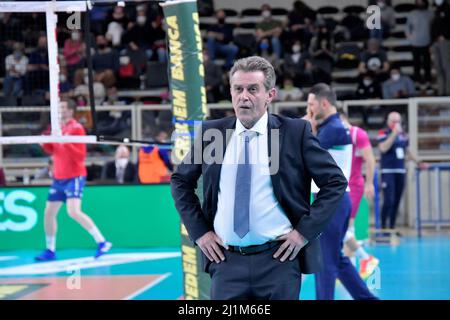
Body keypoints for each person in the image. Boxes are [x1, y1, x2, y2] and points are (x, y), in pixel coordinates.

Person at [171, 56, 348, 300]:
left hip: (279, 262)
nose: (244, 96)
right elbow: (181, 182)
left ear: (270, 94)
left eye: (253, 89)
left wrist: (303, 233)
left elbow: (335, 182)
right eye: (238, 89)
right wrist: (200, 232)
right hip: (226, 262)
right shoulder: (213, 133)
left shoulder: (294, 133)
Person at [307, 83, 378, 300]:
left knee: (325, 261)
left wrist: (306, 128)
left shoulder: (334, 129)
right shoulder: (331, 127)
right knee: (336, 259)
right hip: (334, 200)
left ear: (324, 103)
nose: (308, 109)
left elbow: (305, 155)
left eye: (311, 105)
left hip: (333, 201)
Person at [35, 99, 112, 261]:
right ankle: (50, 250)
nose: (60, 110)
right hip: (58, 177)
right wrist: (45, 143)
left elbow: (80, 156)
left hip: (74, 176)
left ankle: (102, 242)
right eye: (59, 107)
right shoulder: (57, 128)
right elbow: (54, 150)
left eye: (63, 107)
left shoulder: (77, 128)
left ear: (70, 110)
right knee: (48, 214)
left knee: (73, 212)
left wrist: (65, 141)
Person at [339, 110, 379, 279]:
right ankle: (358, 263)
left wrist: (369, 183)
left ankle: (363, 261)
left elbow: (370, 160)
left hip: (353, 186)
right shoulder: (334, 134)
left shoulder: (357, 134)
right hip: (337, 186)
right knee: (342, 227)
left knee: (346, 226)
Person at [377, 112, 427, 232]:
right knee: (388, 200)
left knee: (397, 200)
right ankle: (384, 228)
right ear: (388, 121)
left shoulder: (403, 135)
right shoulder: (383, 133)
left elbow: (408, 150)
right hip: (387, 171)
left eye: (398, 121)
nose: (396, 124)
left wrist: (418, 162)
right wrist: (394, 134)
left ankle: (392, 228)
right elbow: (383, 148)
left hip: (400, 170)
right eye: (393, 121)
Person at [406, 0, 434, 85]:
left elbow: (434, 27)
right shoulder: (412, 14)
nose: (420, 4)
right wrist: (410, 37)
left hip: (427, 42)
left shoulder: (431, 14)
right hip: (415, 43)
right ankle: (417, 80)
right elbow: (407, 27)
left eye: (421, 2)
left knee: (427, 63)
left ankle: (428, 80)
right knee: (416, 63)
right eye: (418, 2)